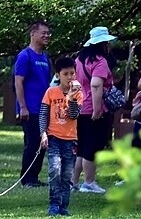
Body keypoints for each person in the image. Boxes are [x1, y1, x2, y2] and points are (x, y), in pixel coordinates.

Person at [70, 26, 117, 194]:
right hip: (93, 108)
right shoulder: (100, 61)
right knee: (93, 146)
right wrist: (97, 110)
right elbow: (96, 85)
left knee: (82, 146)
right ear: (102, 44)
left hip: (80, 107)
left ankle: (73, 182)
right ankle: (89, 182)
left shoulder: (79, 60)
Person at [39, 57, 83, 216]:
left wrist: (70, 97)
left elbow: (73, 115)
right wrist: (43, 133)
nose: (70, 77)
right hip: (54, 138)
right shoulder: (51, 92)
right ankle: (54, 204)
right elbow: (43, 114)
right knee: (55, 170)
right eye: (66, 74)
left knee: (66, 174)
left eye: (73, 73)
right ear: (58, 75)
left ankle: (64, 205)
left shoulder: (78, 94)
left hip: (70, 140)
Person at [14, 20, 52, 188]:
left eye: (48, 33)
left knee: (42, 144)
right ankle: (27, 179)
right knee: (32, 143)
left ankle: (34, 177)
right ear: (33, 34)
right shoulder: (25, 56)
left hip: (44, 107)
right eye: (43, 33)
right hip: (30, 109)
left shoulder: (45, 57)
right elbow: (18, 83)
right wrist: (23, 106)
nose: (46, 36)